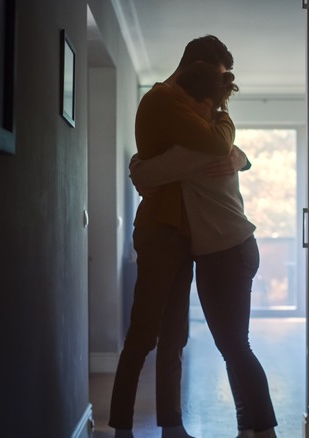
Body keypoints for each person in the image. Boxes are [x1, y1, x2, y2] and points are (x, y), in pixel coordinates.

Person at [129, 62, 278, 438]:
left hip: (227, 252)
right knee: (233, 347)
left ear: (205, 104)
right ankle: (251, 429)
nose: (182, 114)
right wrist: (241, 156)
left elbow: (144, 174)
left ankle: (263, 430)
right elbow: (229, 149)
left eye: (187, 105)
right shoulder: (216, 140)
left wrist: (136, 161)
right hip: (231, 250)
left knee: (235, 347)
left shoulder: (199, 148)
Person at [109, 35, 247, 438]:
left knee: (175, 335)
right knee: (143, 334)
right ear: (197, 70)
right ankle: (121, 427)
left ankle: (171, 426)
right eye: (218, 84)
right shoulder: (164, 102)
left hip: (182, 230)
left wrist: (241, 157)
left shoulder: (182, 104)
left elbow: (215, 154)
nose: (220, 95)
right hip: (161, 230)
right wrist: (229, 136)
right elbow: (214, 145)